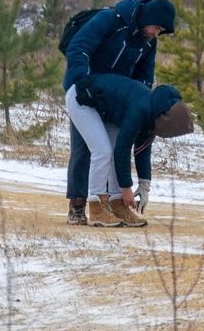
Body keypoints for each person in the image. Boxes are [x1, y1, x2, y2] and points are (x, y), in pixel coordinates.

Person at [62, 0, 176, 224]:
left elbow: (144, 77)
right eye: (157, 27)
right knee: (87, 148)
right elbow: (79, 47)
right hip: (85, 90)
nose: (156, 33)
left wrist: (136, 105)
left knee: (113, 149)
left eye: (161, 31)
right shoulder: (110, 20)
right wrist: (82, 83)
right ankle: (77, 205)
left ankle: (115, 205)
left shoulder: (148, 42)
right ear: (148, 19)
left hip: (115, 99)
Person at [67, 74, 194, 227]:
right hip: (81, 97)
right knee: (103, 151)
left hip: (104, 108)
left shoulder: (156, 112)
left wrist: (144, 186)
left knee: (112, 151)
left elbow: (142, 150)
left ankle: (117, 205)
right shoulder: (141, 109)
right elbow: (123, 149)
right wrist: (126, 188)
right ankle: (97, 207)